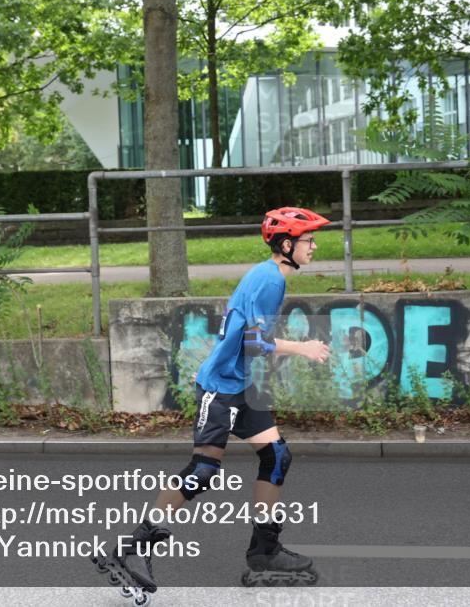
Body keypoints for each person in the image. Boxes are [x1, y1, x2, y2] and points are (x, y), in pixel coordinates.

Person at [100, 207, 331, 594]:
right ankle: (131, 547)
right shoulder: (269, 280)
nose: (315, 246)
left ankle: (265, 550)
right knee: (203, 470)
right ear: (287, 244)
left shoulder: (272, 277)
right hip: (221, 389)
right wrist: (303, 348)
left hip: (240, 386)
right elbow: (253, 342)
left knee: (276, 456)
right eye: (309, 240)